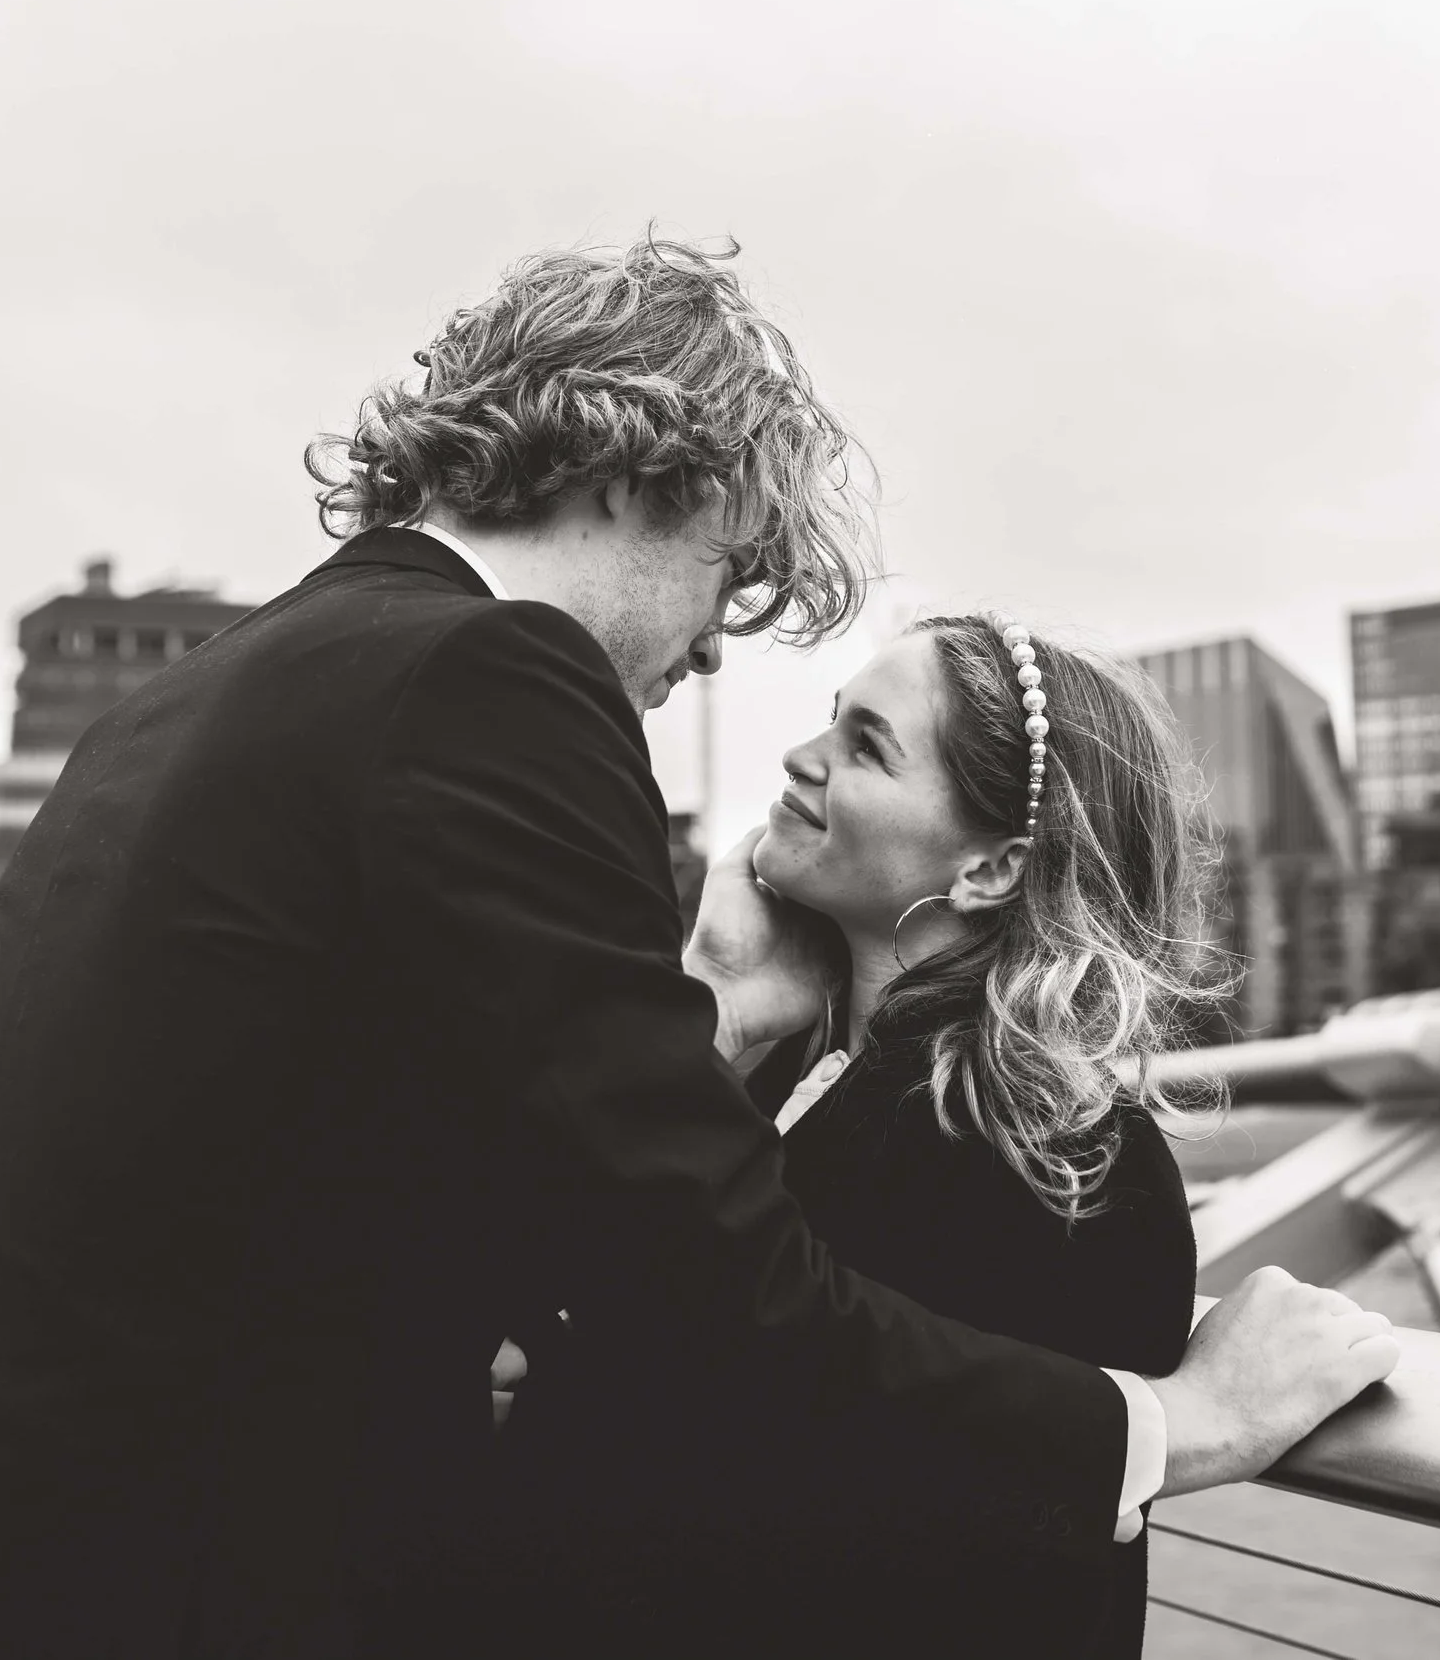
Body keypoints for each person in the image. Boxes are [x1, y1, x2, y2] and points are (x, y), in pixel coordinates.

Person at [0, 238, 1400, 1660]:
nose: (713, 649)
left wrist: (705, 1035)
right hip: (203, 1600)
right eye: (728, 578)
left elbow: (379, 1182)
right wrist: (1171, 1426)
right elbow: (700, 1279)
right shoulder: (489, 677)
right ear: (654, 480)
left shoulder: (204, 696)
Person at [497, 614, 1228, 1656]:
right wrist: (716, 996)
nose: (803, 756)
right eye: (830, 722)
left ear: (989, 868)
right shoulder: (770, 1068)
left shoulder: (1069, 1160)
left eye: (866, 745)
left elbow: (1021, 1563)